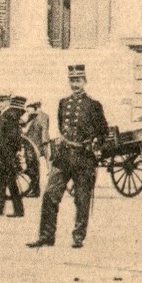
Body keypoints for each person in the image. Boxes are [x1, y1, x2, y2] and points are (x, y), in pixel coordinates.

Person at [28, 65, 108, 249]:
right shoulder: (63, 103)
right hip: (63, 157)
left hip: (83, 158)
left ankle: (78, 236)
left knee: (82, 198)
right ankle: (46, 236)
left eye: (78, 80)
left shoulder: (94, 105)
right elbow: (60, 125)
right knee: (49, 195)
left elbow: (103, 131)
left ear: (85, 81)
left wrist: (95, 145)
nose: (75, 84)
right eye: (72, 80)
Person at [0, 99, 27, 218]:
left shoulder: (9, 116)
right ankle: (1, 208)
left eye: (2, 101)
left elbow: (12, 137)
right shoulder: (7, 115)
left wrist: (5, 151)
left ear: (7, 102)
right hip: (6, 154)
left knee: (11, 182)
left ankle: (18, 210)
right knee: (1, 180)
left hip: (7, 154)